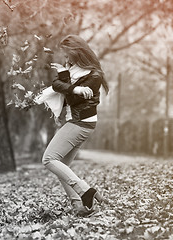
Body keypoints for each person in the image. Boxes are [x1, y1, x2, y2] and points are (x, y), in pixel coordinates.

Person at [41, 35, 109, 216]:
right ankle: (79, 206)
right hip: (77, 122)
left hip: (81, 123)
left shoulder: (94, 75)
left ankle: (85, 191)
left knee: (48, 159)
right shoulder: (73, 70)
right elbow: (56, 84)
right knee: (62, 166)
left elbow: (71, 97)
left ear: (76, 52)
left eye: (67, 54)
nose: (65, 58)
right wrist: (65, 75)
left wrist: (70, 84)